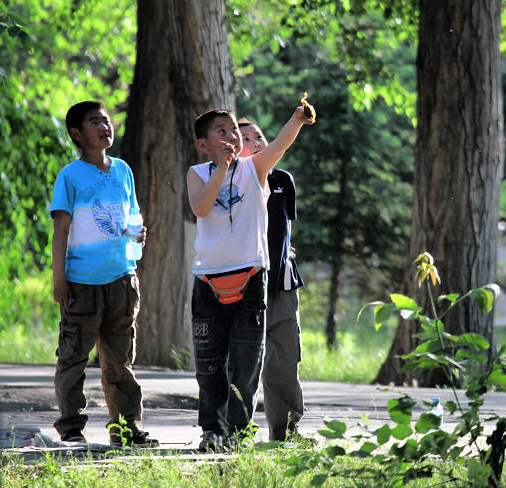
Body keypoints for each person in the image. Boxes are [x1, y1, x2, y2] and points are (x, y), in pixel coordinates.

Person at [187, 103, 314, 451]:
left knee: (247, 362)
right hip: (208, 281)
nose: (231, 137)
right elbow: (200, 207)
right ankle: (212, 431)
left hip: (252, 277)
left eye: (234, 131)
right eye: (222, 132)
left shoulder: (254, 169)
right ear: (203, 145)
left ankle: (240, 434)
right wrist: (220, 170)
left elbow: (280, 146)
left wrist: (296, 119)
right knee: (211, 364)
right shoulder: (197, 173)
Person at [50, 100, 157, 447]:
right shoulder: (70, 175)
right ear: (77, 134)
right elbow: (62, 230)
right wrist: (59, 278)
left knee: (120, 359)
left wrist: (137, 234)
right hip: (81, 282)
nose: (105, 127)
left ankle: (125, 428)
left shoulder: (123, 170)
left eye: (107, 121)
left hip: (122, 279)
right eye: (95, 122)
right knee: (73, 356)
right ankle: (71, 426)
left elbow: (133, 217)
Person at [237, 119, 308, 443]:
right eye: (246, 139)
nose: (255, 142)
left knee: (284, 359)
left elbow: (283, 227)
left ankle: (285, 434)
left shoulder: (283, 180)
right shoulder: (229, 182)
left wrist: (286, 253)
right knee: (239, 362)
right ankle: (232, 432)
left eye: (260, 137)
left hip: (281, 283)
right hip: (241, 283)